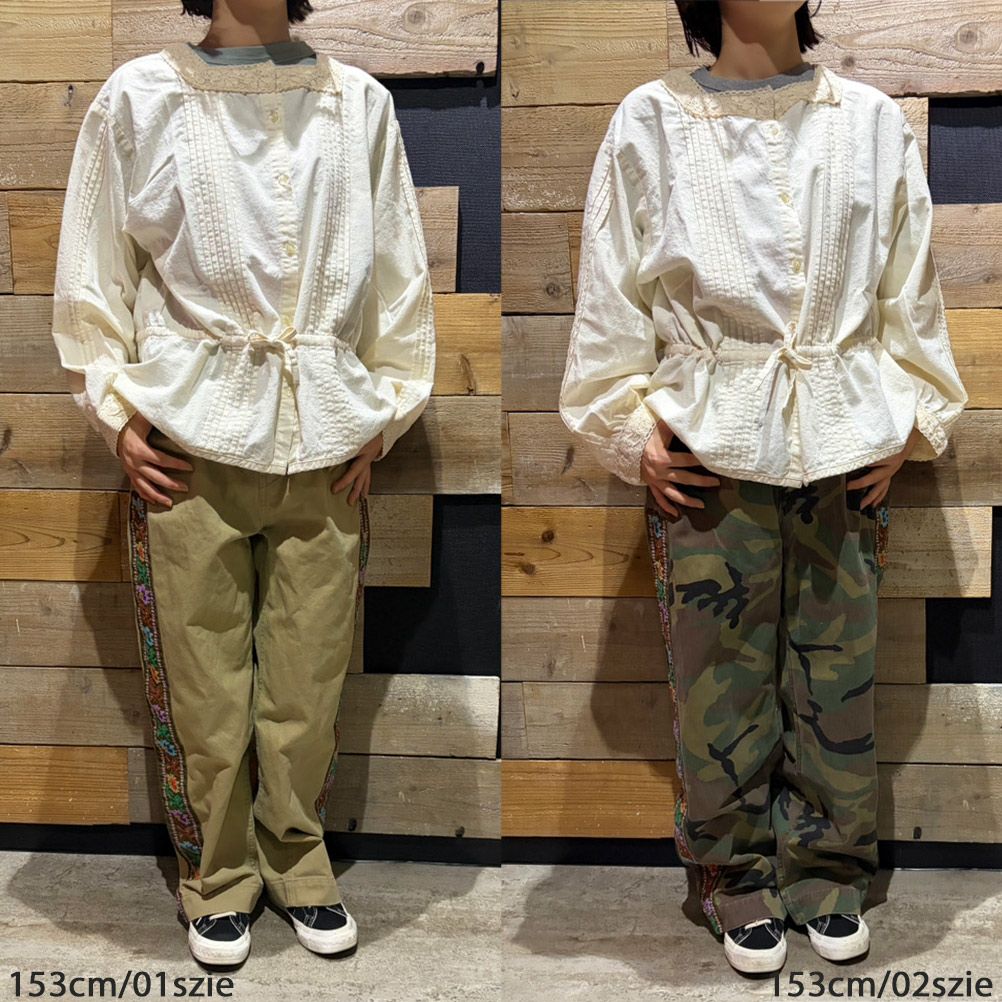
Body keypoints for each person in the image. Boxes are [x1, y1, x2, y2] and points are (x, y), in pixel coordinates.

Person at [558, 0, 967, 977]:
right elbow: (612, 287)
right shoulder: (651, 119)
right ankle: (734, 876)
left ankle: (829, 872)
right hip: (711, 444)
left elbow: (908, 283)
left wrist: (911, 417)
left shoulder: (869, 121)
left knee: (839, 676)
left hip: (846, 442)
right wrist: (627, 429)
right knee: (720, 681)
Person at [50, 0, 435, 967]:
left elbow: (398, 271)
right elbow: (93, 269)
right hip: (188, 444)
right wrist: (117, 412)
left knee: (308, 683)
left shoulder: (358, 102)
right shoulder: (140, 96)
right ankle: (216, 877)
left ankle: (298, 864)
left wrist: (385, 411)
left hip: (325, 444)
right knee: (202, 689)